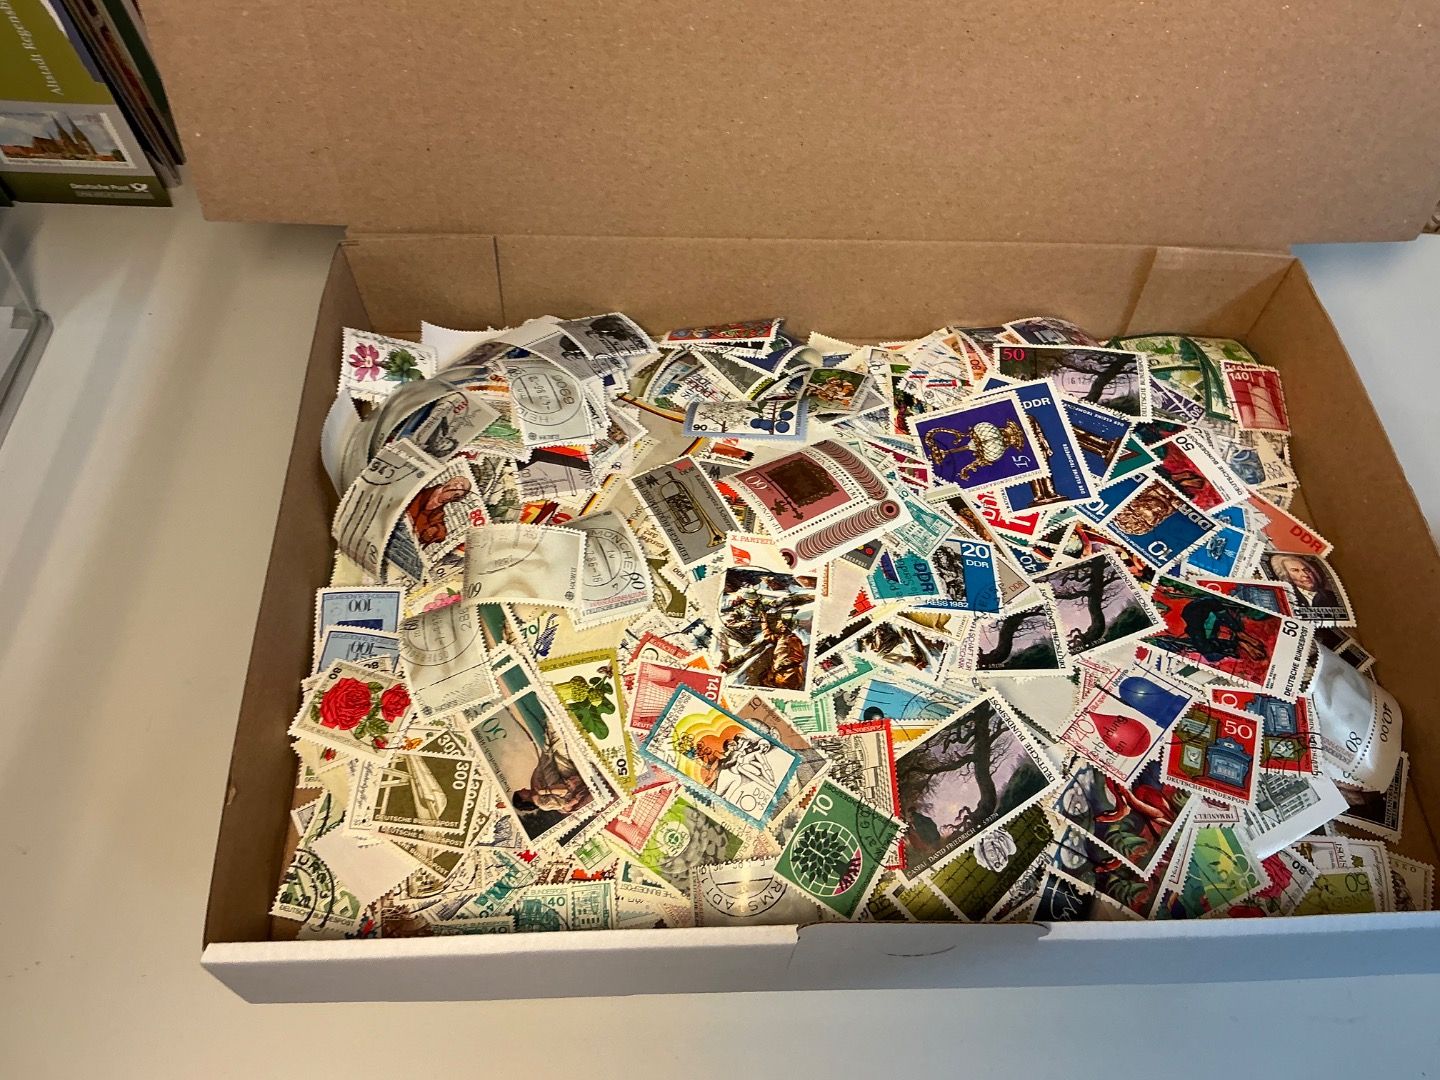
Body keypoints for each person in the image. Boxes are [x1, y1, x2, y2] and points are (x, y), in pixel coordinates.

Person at [1269, 553, 1338, 610]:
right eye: (1295, 570)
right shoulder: (1285, 597)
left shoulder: (1331, 596)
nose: (1305, 575)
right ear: (1286, 575)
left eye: (1306, 570)